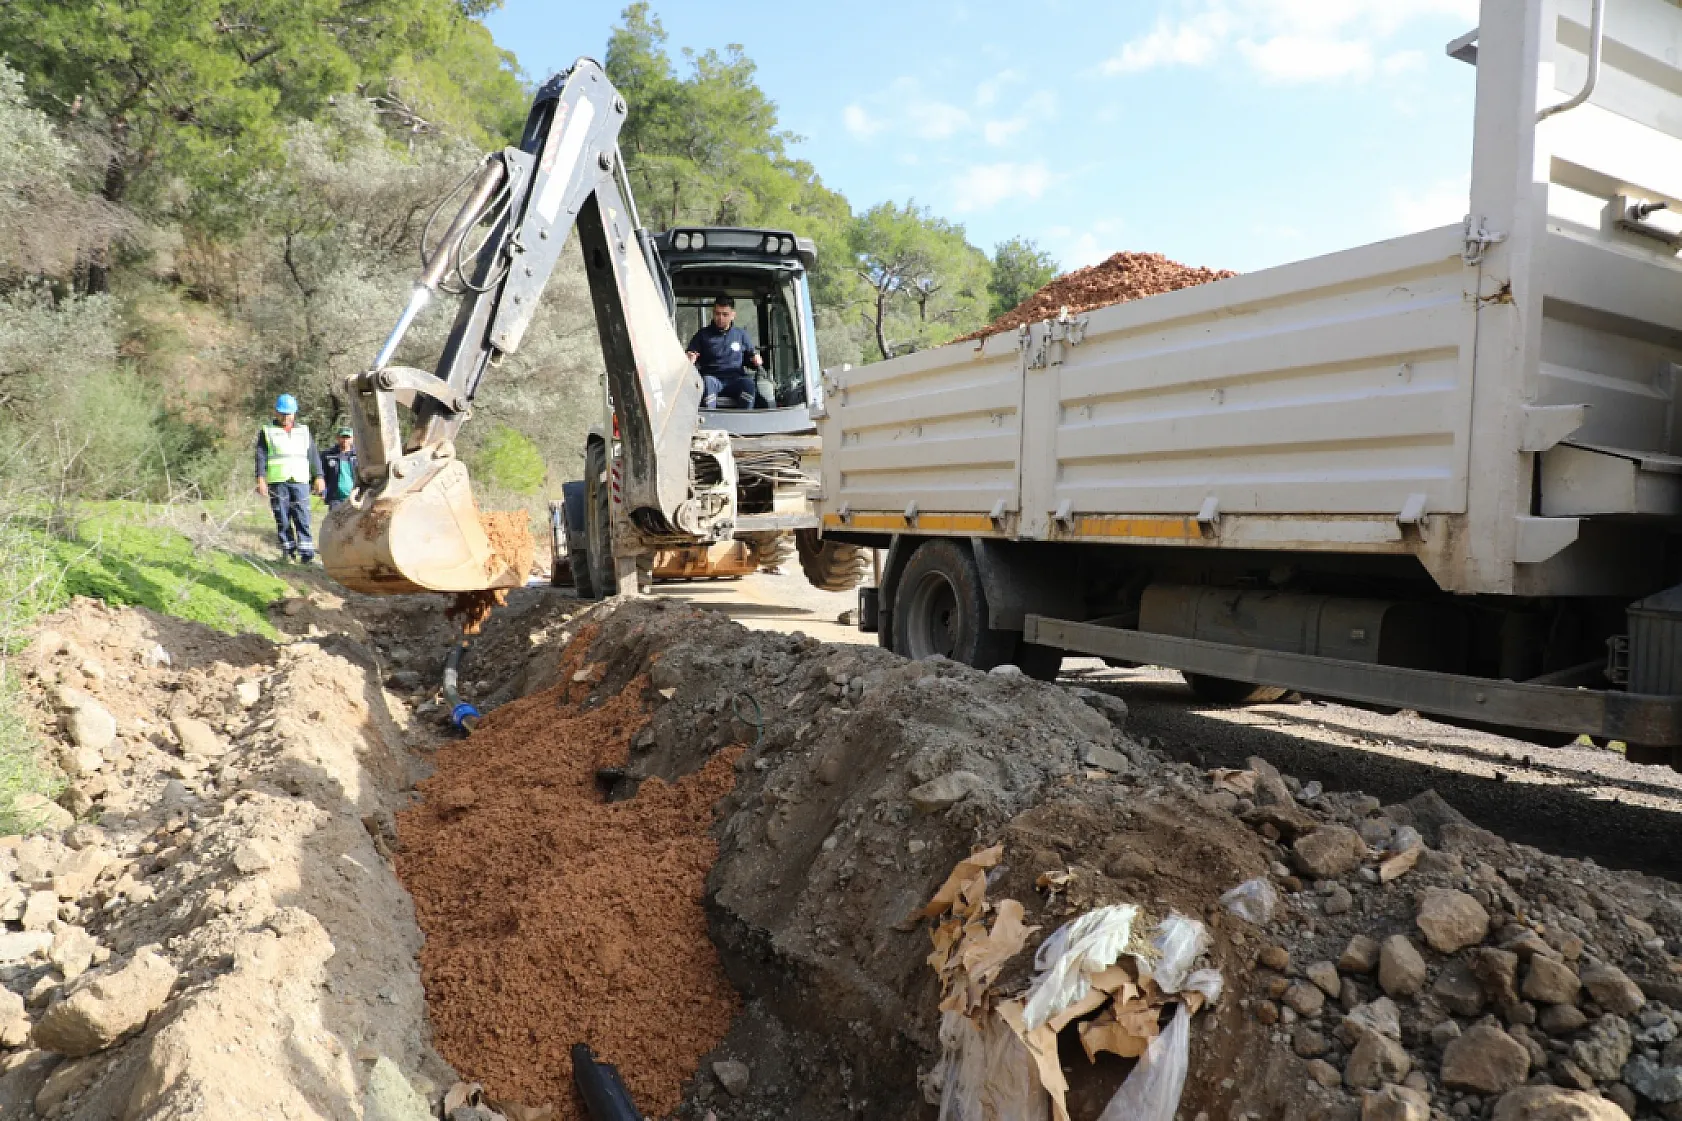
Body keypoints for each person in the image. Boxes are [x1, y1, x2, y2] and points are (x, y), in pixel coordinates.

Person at [255, 394, 325, 563]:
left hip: (300, 481)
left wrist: (319, 476)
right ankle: (288, 552)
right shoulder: (267, 431)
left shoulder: (303, 431)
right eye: (282, 413)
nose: (285, 417)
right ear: (276, 412)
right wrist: (260, 478)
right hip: (278, 481)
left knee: (303, 517)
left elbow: (313, 455)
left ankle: (307, 555)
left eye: (289, 414)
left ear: (294, 413)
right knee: (283, 517)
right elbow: (261, 456)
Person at [685, 294, 763, 408]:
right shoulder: (702, 335)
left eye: (725, 314)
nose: (720, 318)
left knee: (749, 384)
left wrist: (756, 361)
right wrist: (690, 359)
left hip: (735, 380)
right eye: (717, 313)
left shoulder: (741, 335)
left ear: (733, 315)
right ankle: (710, 421)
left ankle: (743, 420)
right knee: (706, 382)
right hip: (713, 379)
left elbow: (751, 359)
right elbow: (690, 355)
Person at [320, 426, 357, 511]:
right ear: (338, 438)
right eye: (343, 437)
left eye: (348, 437)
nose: (345, 440)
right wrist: (323, 491)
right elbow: (322, 474)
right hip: (335, 498)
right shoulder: (328, 455)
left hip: (355, 497)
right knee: (335, 522)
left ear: (352, 439)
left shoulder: (358, 456)